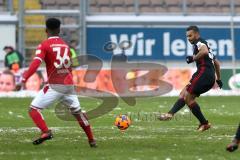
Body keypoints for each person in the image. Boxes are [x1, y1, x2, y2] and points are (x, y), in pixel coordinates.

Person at [20, 18, 96, 147]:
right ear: (59, 30)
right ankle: (91, 140)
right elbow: (69, 66)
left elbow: (36, 63)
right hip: (68, 85)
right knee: (78, 113)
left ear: (46, 30)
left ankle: (46, 132)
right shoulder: (66, 46)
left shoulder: (44, 45)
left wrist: (24, 78)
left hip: (55, 85)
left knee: (33, 110)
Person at [158, 26, 223, 132]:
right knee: (183, 94)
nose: (188, 38)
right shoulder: (204, 44)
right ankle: (170, 113)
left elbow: (204, 51)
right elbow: (217, 63)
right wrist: (218, 79)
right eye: (187, 36)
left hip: (204, 74)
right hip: (207, 75)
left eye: (190, 35)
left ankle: (203, 123)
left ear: (196, 34)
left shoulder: (199, 42)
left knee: (188, 97)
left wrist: (193, 58)